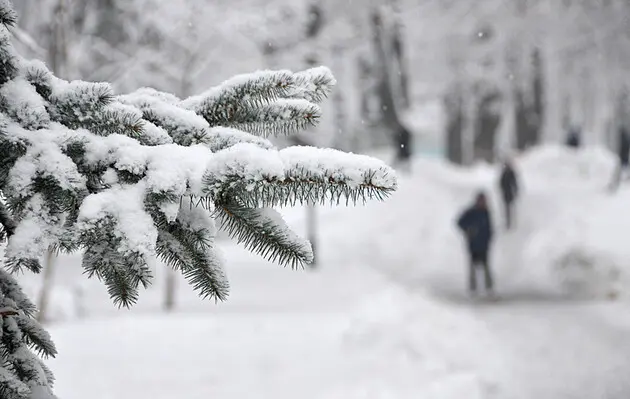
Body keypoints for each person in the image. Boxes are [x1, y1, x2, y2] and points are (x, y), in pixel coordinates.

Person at [457, 192, 494, 296]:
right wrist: (468, 230)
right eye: (481, 200)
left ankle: (489, 287)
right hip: (473, 244)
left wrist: (489, 238)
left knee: (486, 267)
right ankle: (473, 288)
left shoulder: (486, 212)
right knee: (472, 267)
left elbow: (489, 227)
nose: (482, 202)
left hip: (484, 245)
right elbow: (459, 222)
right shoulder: (471, 212)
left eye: (484, 200)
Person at [498, 159, 519, 229]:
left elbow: (514, 182)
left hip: (509, 192)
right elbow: (501, 183)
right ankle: (508, 221)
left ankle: (510, 220)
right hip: (506, 192)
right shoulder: (504, 173)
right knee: (507, 207)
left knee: (509, 206)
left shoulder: (510, 173)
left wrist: (515, 190)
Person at [609, 125, 630, 191]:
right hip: (624, 158)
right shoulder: (626, 139)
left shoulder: (624, 139)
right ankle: (616, 183)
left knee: (619, 171)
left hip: (623, 158)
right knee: (620, 170)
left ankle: (615, 184)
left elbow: (623, 149)